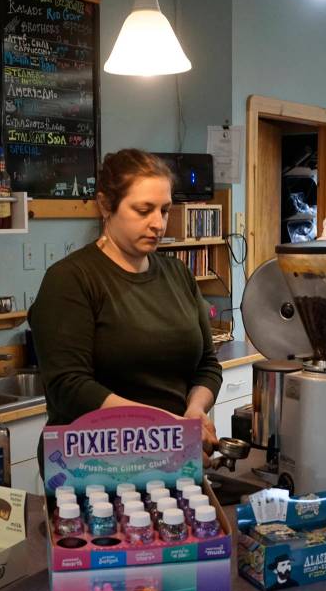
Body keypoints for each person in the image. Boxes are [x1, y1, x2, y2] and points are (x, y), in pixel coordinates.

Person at [28, 148, 223, 457]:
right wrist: (160, 425)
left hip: (172, 453)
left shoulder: (178, 274)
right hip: (91, 465)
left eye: (165, 210)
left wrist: (194, 410)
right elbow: (69, 386)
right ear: (106, 205)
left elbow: (207, 365)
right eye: (143, 210)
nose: (158, 224)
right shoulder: (71, 279)